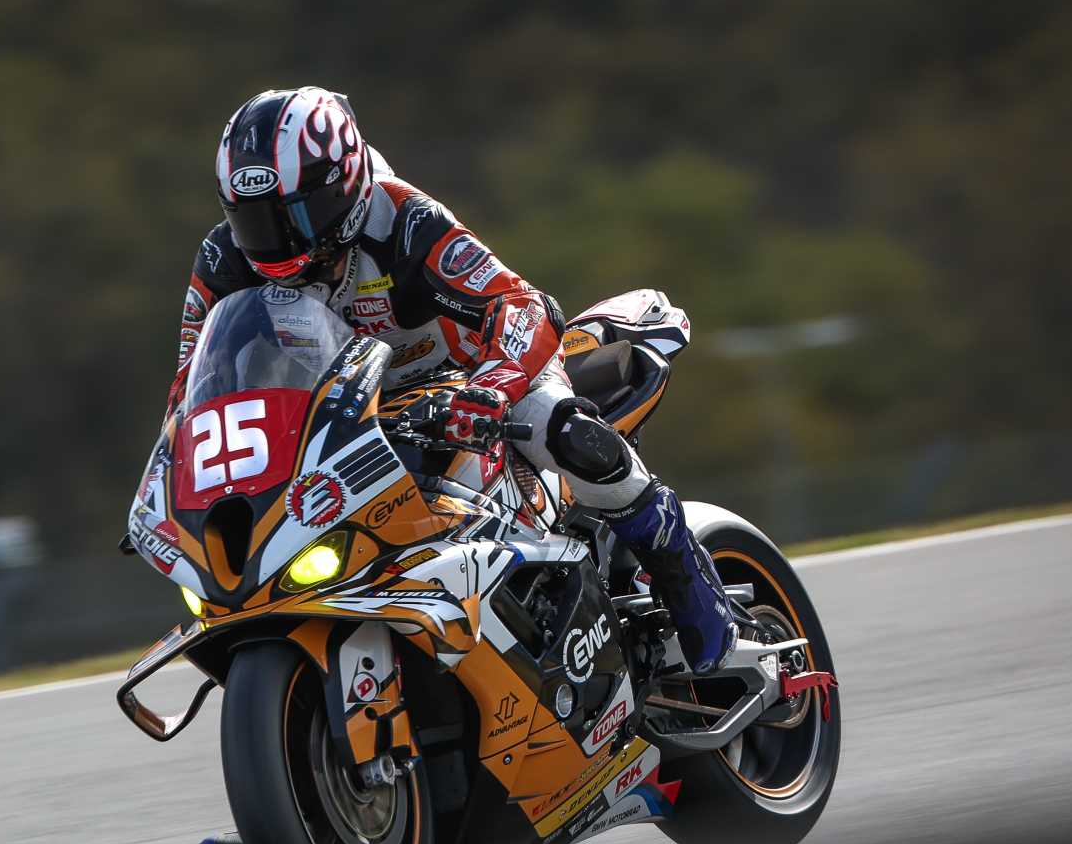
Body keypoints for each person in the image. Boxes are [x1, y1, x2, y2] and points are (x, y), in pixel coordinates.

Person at [170, 86, 734, 673]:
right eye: (254, 220)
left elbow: (521, 305)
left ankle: (691, 589)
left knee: (567, 431)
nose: (276, 239)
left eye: (294, 215)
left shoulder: (403, 220)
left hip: (475, 379)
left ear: (343, 185)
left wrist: (492, 387)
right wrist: (176, 479)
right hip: (351, 416)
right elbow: (192, 382)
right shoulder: (224, 261)